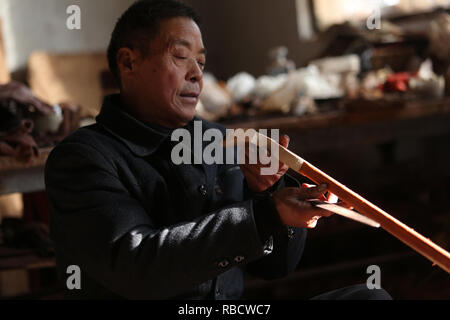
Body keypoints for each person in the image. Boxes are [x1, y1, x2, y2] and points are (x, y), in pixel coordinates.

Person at [45, 0, 391, 300]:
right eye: (180, 57)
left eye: (201, 62)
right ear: (128, 62)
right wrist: (265, 214)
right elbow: (137, 266)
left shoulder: (217, 141)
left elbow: (277, 266)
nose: (196, 74)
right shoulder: (83, 158)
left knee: (369, 298)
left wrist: (270, 192)